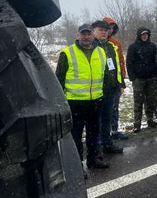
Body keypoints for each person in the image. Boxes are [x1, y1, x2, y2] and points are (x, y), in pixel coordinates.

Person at [55, 23, 109, 170]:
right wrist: (60, 102)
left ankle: (93, 159)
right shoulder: (67, 53)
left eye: (89, 34)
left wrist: (103, 95)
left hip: (95, 101)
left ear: (93, 36)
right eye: (83, 34)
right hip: (75, 102)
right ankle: (76, 165)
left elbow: (104, 76)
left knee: (93, 133)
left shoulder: (100, 52)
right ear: (78, 35)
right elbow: (58, 79)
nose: (86, 37)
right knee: (75, 135)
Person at [92, 20, 125, 154]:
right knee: (95, 120)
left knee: (107, 118)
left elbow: (116, 66)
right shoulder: (91, 46)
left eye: (106, 30)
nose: (104, 32)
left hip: (111, 89)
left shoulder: (111, 46)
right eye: (101, 30)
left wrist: (120, 83)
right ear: (94, 31)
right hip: (96, 90)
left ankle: (107, 143)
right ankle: (95, 146)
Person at [126, 27, 157, 132]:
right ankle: (137, 124)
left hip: (151, 78)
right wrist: (132, 77)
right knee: (138, 101)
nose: (144, 36)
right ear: (139, 35)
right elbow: (129, 63)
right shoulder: (133, 47)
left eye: (146, 34)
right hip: (138, 79)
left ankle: (150, 120)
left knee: (150, 101)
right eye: (142, 35)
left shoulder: (153, 46)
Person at [103, 16, 128, 140]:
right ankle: (103, 134)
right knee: (103, 111)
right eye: (108, 28)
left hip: (115, 81)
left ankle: (114, 130)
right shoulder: (95, 43)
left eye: (112, 28)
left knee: (114, 107)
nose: (110, 30)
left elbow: (121, 62)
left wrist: (122, 80)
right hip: (101, 84)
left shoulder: (116, 43)